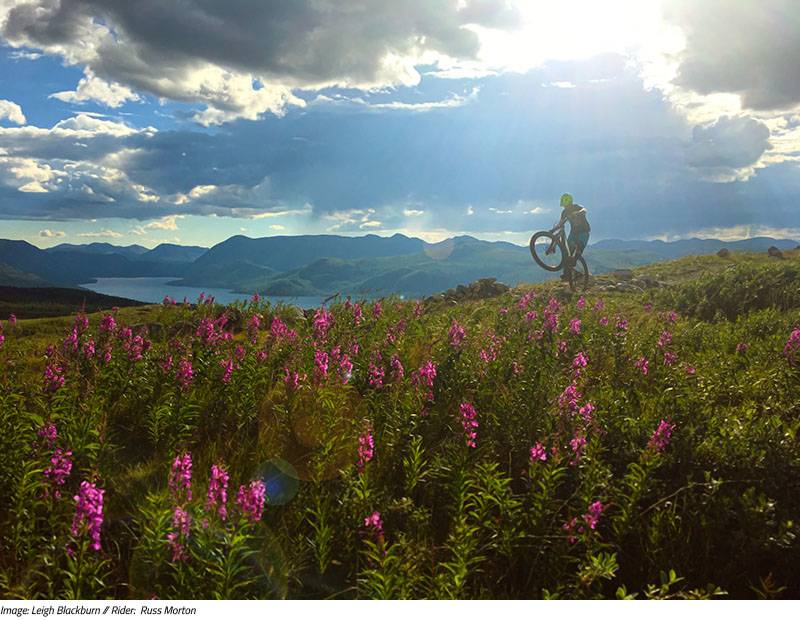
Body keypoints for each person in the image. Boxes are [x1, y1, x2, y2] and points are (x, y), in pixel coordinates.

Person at [546, 193, 590, 272]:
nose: (565, 207)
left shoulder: (577, 207)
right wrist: (553, 230)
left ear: (569, 202)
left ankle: (580, 271)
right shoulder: (564, 212)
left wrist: (578, 213)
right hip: (573, 233)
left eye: (565, 205)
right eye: (564, 206)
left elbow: (584, 210)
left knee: (578, 252)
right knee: (567, 255)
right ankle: (567, 273)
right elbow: (560, 224)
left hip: (584, 232)